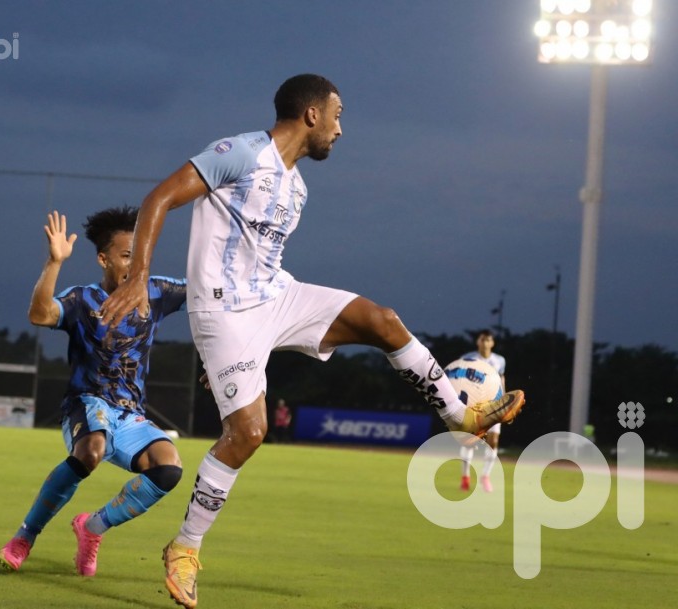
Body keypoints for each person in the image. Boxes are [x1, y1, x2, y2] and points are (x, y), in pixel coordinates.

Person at [99, 74, 525, 608]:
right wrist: (139, 273)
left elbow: (262, 264)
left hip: (277, 295)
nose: (341, 129)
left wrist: (259, 342)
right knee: (247, 434)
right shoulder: (240, 153)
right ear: (311, 115)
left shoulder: (297, 187)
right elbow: (159, 197)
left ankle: (460, 416)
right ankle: (185, 548)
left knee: (382, 321)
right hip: (225, 311)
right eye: (338, 115)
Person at [0, 207, 187, 577]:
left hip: (130, 415)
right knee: (91, 450)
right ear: (104, 258)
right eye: (127, 255)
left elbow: (215, 299)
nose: (136, 264)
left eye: (141, 255)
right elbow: (39, 314)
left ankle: (92, 527)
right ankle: (24, 536)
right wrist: (54, 263)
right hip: (85, 405)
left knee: (169, 467)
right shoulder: (83, 300)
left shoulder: (158, 292)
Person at [459, 329, 506, 493]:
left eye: (488, 340)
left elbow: (501, 379)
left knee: (493, 442)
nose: (485, 343)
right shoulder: (468, 358)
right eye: (482, 339)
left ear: (492, 343)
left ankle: (485, 476)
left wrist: (505, 401)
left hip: (493, 405)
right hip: (474, 405)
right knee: (471, 441)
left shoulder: (499, 360)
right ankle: (465, 477)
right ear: (478, 342)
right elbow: (460, 379)